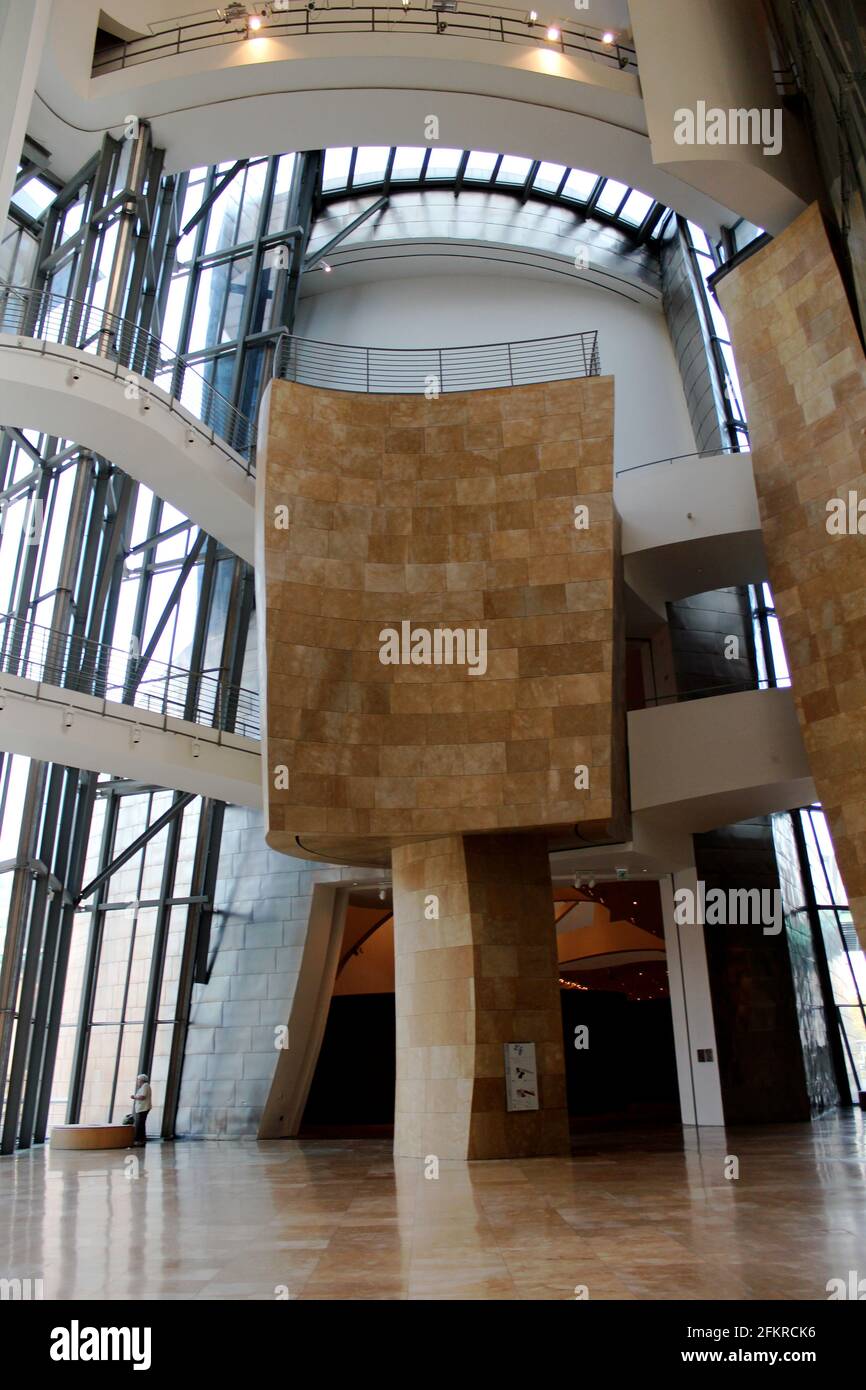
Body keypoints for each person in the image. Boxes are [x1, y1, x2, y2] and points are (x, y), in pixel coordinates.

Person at [130, 1074, 152, 1146]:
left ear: (141, 1080)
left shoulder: (145, 1086)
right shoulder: (144, 1086)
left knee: (140, 1125)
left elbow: (142, 1097)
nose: (137, 1082)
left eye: (138, 1080)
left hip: (143, 1108)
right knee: (141, 1124)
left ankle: (139, 1140)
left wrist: (134, 1097)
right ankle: (141, 1140)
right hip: (141, 1108)